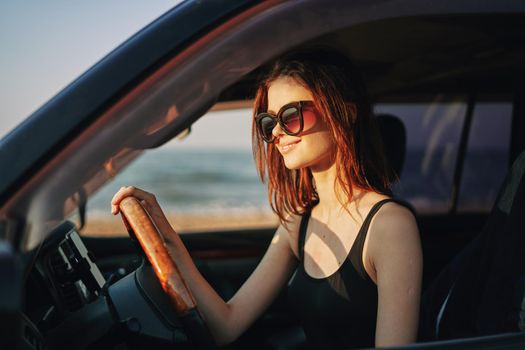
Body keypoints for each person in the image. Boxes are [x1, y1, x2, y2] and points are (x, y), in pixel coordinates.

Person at [111, 48, 423, 349]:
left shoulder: (389, 225)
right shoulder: (298, 223)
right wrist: (164, 237)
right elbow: (226, 325)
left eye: (291, 115)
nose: (275, 133)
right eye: (269, 122)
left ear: (346, 112)